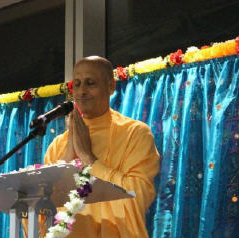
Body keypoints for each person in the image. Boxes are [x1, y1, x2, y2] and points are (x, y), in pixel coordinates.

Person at [44, 56, 160, 238]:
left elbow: (137, 196)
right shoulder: (58, 143)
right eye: (77, 84)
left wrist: (89, 159)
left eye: (90, 83)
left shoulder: (134, 133)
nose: (81, 91)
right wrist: (67, 157)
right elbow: (44, 207)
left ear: (111, 87)